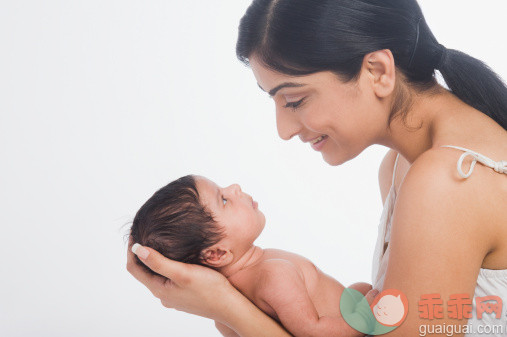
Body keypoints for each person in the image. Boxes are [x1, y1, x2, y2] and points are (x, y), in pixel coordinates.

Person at [127, 0, 507, 336]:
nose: (284, 130)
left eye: (293, 100)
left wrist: (227, 307)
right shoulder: (400, 165)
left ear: (377, 70)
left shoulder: (447, 181)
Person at [130, 174, 373, 336]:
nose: (234, 187)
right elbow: (313, 331)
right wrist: (364, 317)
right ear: (217, 253)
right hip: (346, 328)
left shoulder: (226, 307)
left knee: (360, 288)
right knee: (369, 291)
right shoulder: (272, 275)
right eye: (224, 200)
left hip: (341, 312)